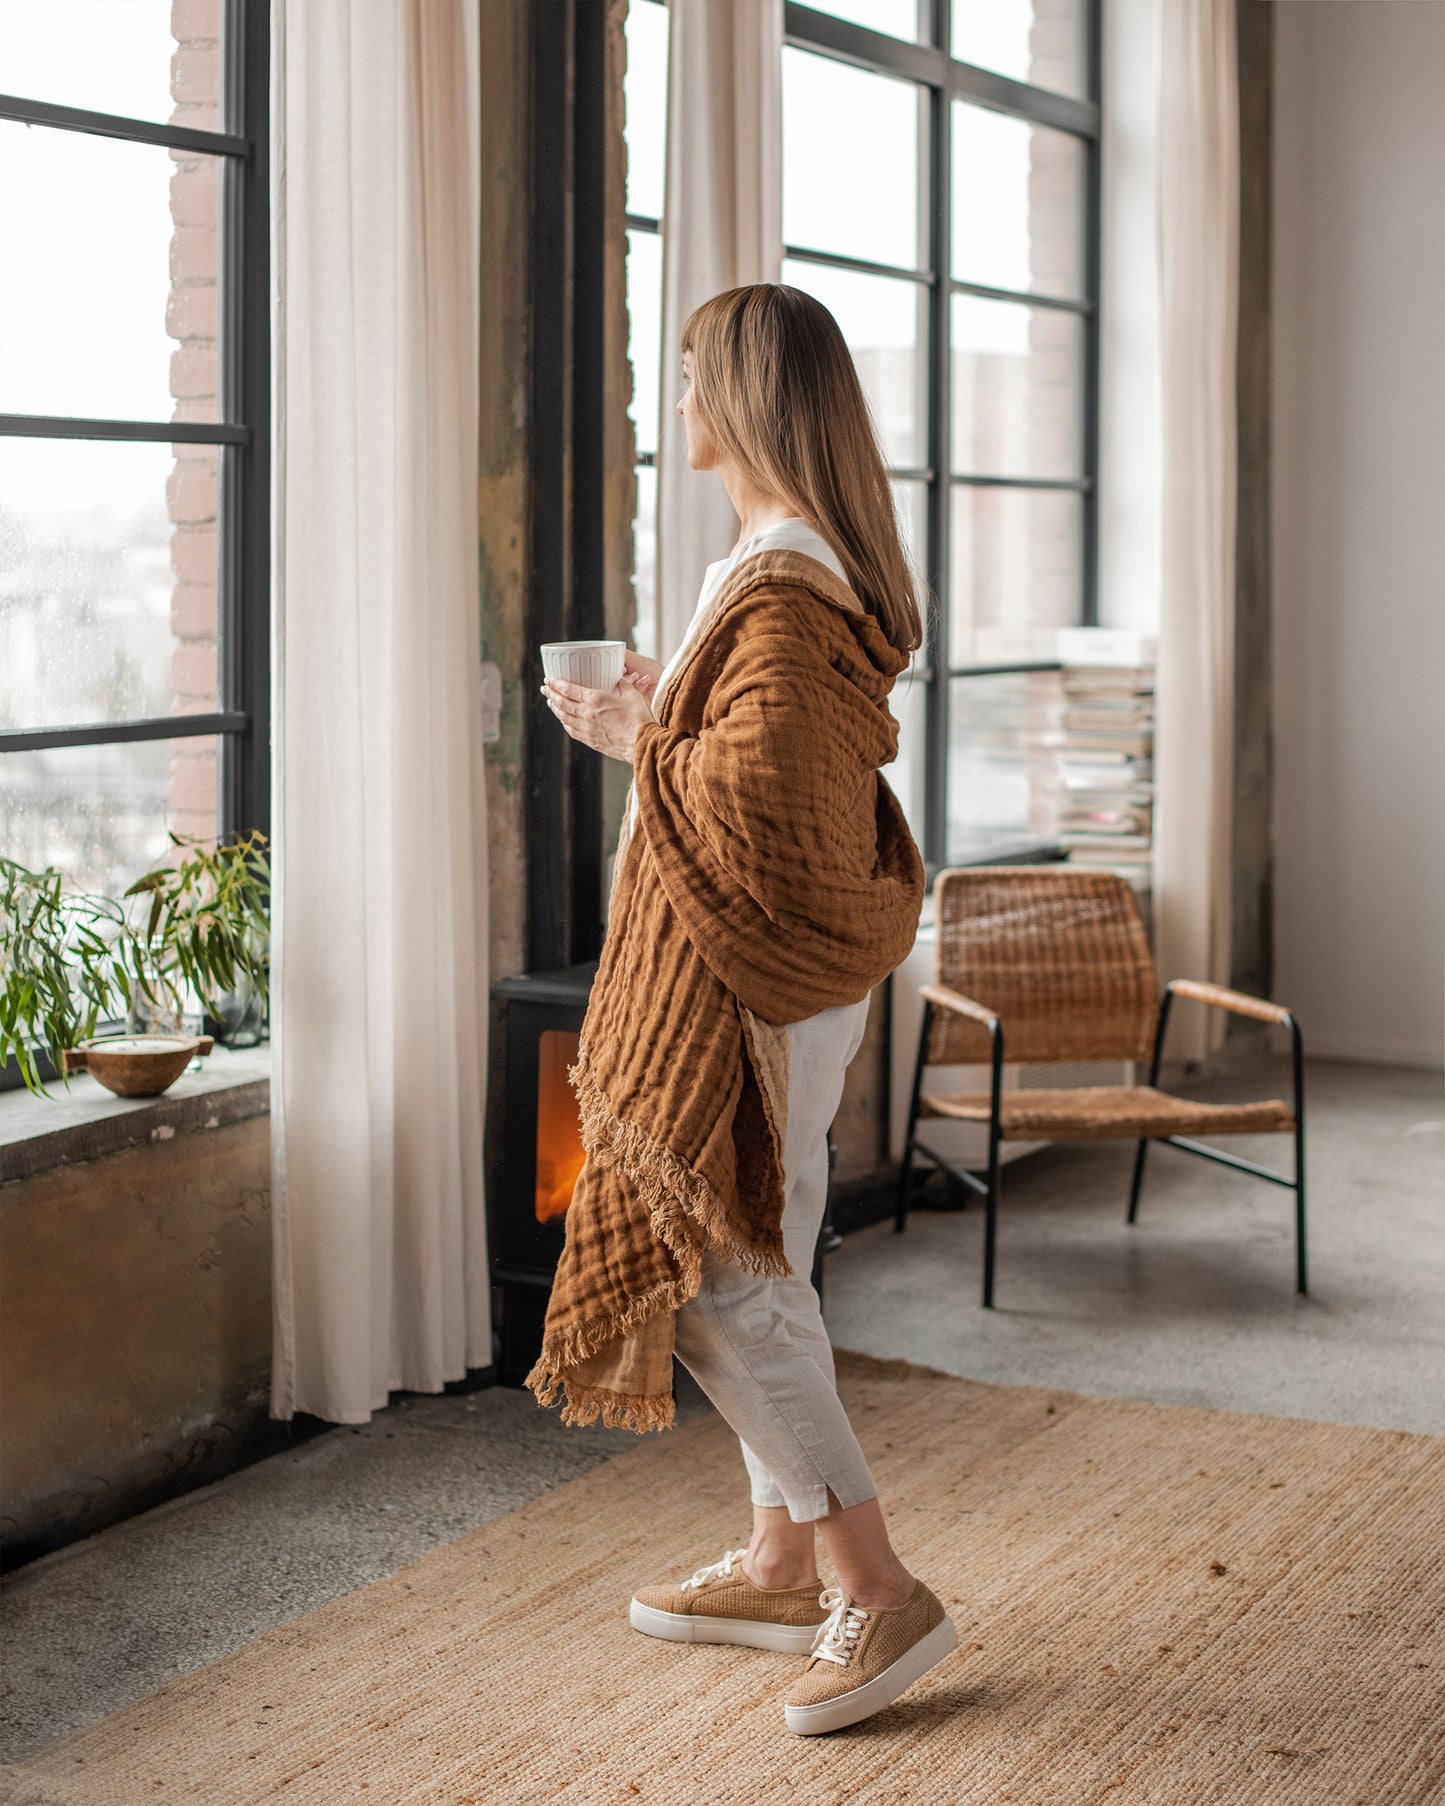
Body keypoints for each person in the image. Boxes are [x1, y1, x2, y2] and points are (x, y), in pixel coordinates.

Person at [534, 284, 955, 1737]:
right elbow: (755, 759)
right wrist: (661, 714)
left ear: (744, 402)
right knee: (767, 1253)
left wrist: (639, 733)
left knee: (723, 1277)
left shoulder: (779, 572)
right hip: (799, 978)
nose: (679, 405)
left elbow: (749, 796)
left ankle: (873, 1579)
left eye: (695, 377)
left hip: (745, 980)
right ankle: (780, 1559)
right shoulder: (809, 560)